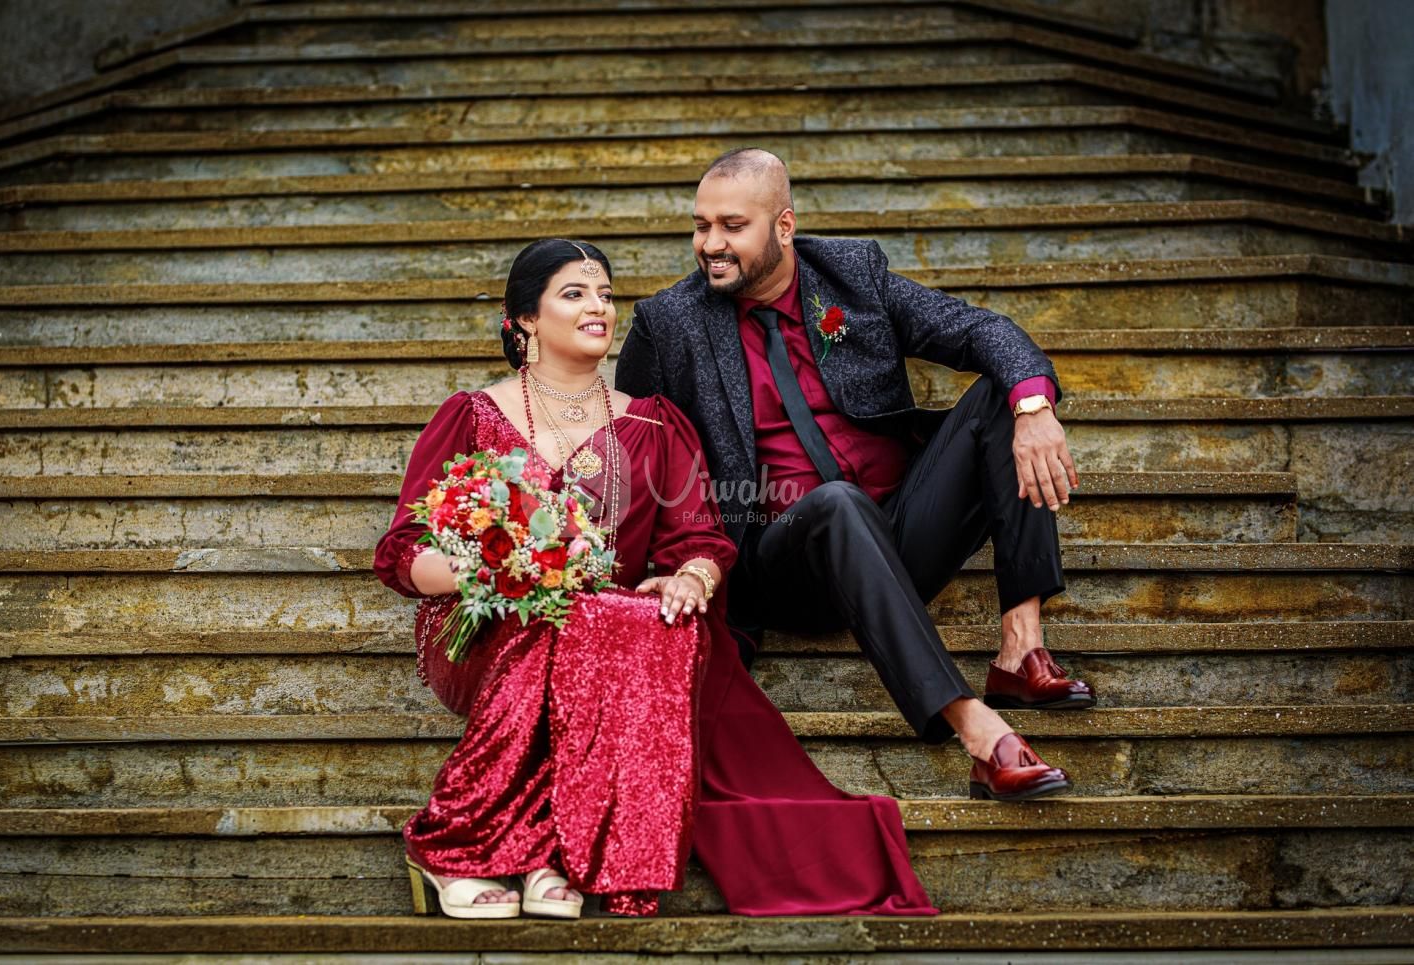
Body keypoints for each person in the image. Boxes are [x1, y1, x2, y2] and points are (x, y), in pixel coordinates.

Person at [375, 238, 938, 921]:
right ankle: (453, 845)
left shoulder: (653, 422)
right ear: (524, 318)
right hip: (484, 626)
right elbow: (404, 550)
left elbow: (698, 538)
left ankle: (548, 853)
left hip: (603, 634)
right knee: (552, 616)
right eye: (575, 293)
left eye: (606, 294)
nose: (598, 307)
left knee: (631, 619)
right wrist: (499, 568)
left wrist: (692, 578)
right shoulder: (472, 416)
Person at [616, 148, 1094, 803]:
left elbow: (977, 329)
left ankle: (1020, 648)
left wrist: (1034, 408)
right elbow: (638, 452)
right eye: (702, 226)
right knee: (837, 502)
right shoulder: (669, 323)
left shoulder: (851, 276)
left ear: (784, 226)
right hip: (784, 562)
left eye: (732, 226)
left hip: (897, 528)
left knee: (1001, 396)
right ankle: (977, 728)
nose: (711, 244)